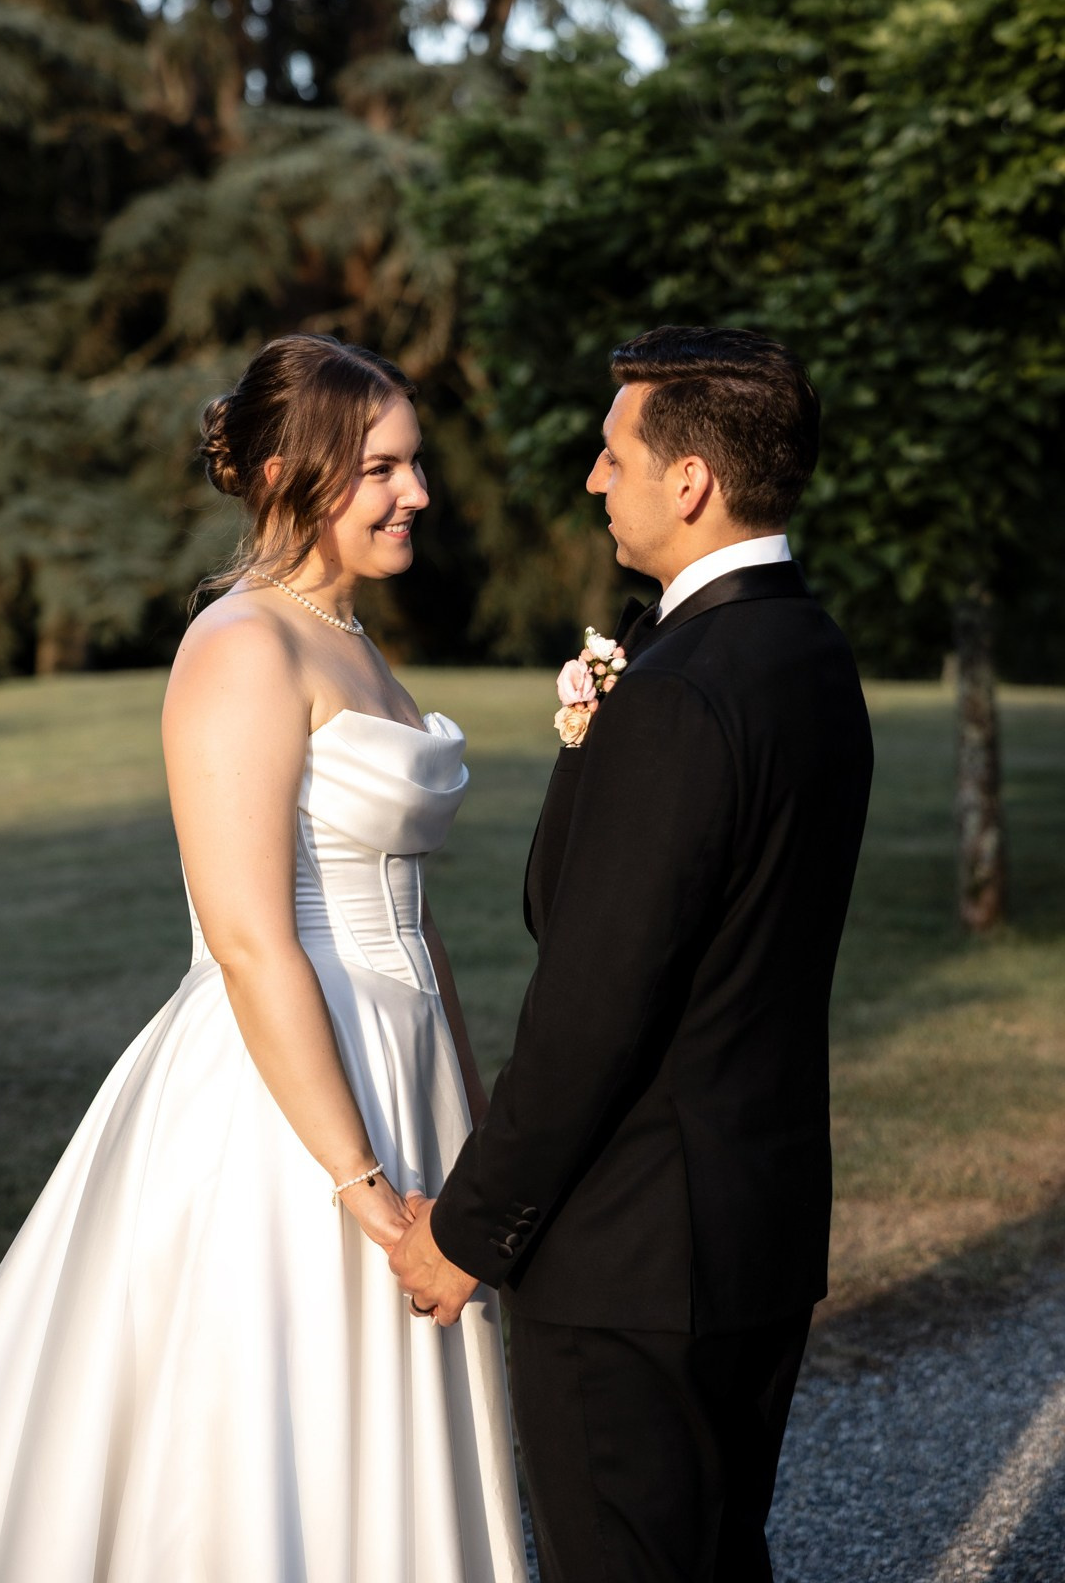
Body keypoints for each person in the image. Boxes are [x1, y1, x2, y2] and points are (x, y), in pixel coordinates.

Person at [0, 334, 528, 1583]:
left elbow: (412, 923)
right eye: (379, 469)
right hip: (287, 1103)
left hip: (403, 1068)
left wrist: (462, 1128)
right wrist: (359, 1183)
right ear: (281, 476)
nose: (414, 492)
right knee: (273, 1426)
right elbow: (251, 938)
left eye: (412, 466)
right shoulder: (243, 646)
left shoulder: (354, 643)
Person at [391, 325, 875, 1583]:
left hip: (632, 1258)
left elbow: (594, 1005)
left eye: (613, 455)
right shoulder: (809, 653)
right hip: (754, 1226)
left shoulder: (677, 689)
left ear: (690, 482)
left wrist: (469, 1230)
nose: (593, 479)